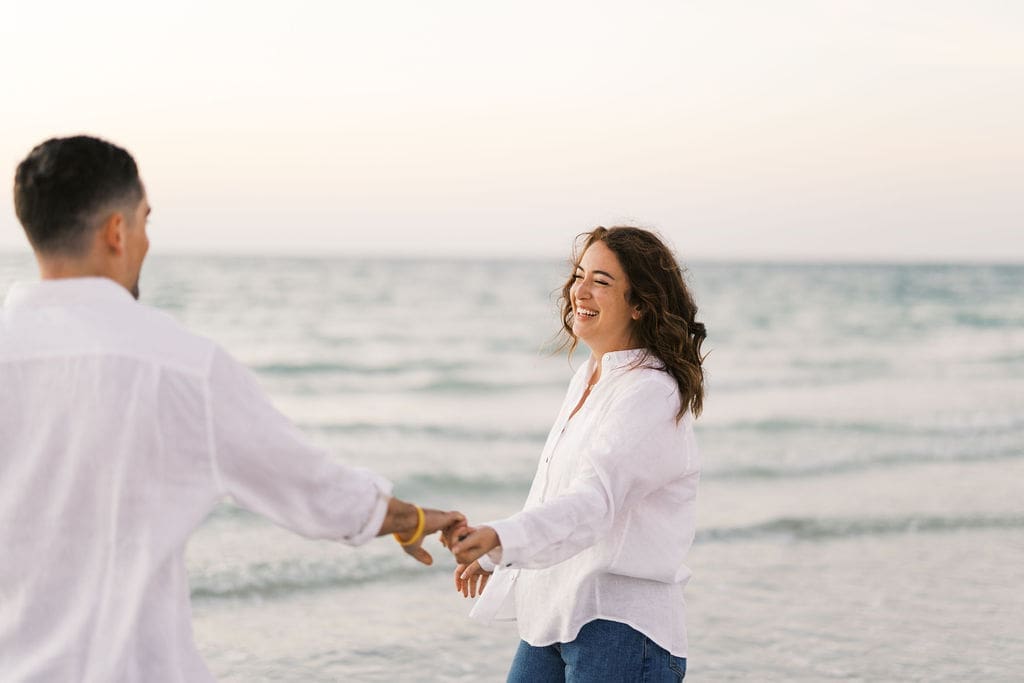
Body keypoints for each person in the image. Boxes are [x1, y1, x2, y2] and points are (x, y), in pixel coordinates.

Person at [0, 135, 463, 681]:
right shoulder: (181, 366)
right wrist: (411, 521)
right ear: (117, 231)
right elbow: (311, 487)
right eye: (145, 221)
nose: (147, 240)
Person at [446, 226, 706, 682]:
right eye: (579, 274)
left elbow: (593, 502)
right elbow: (555, 494)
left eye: (601, 281)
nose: (578, 291)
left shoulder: (649, 392)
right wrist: (497, 554)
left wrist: (503, 538)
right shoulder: (592, 375)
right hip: (554, 615)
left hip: (621, 631)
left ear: (640, 303)